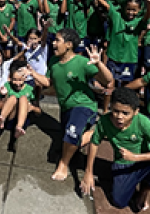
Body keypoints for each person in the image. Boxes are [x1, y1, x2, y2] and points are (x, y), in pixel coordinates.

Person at [29, 28, 114, 181]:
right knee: (71, 140)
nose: (53, 43)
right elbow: (48, 82)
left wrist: (99, 63)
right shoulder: (54, 61)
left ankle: (63, 164)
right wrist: (32, 73)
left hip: (83, 105)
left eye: (57, 40)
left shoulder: (81, 62)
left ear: (68, 44)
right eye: (54, 40)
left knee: (71, 135)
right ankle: (98, 132)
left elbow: (108, 80)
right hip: (66, 108)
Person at [80, 87, 150, 211]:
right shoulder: (105, 121)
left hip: (148, 162)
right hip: (123, 163)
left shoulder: (143, 122)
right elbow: (95, 143)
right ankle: (134, 182)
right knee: (119, 202)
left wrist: (135, 157)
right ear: (111, 107)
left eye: (125, 113)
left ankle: (145, 188)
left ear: (136, 112)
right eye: (116, 111)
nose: (119, 117)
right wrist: (88, 172)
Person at [0, 61, 41, 139]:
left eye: (20, 80)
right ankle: (1, 118)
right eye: (15, 80)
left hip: (23, 120)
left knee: (23, 98)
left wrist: (32, 108)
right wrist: (3, 96)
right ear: (10, 78)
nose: (17, 83)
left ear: (25, 78)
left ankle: (19, 128)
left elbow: (39, 111)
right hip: (9, 118)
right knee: (13, 98)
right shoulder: (7, 86)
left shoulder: (30, 90)